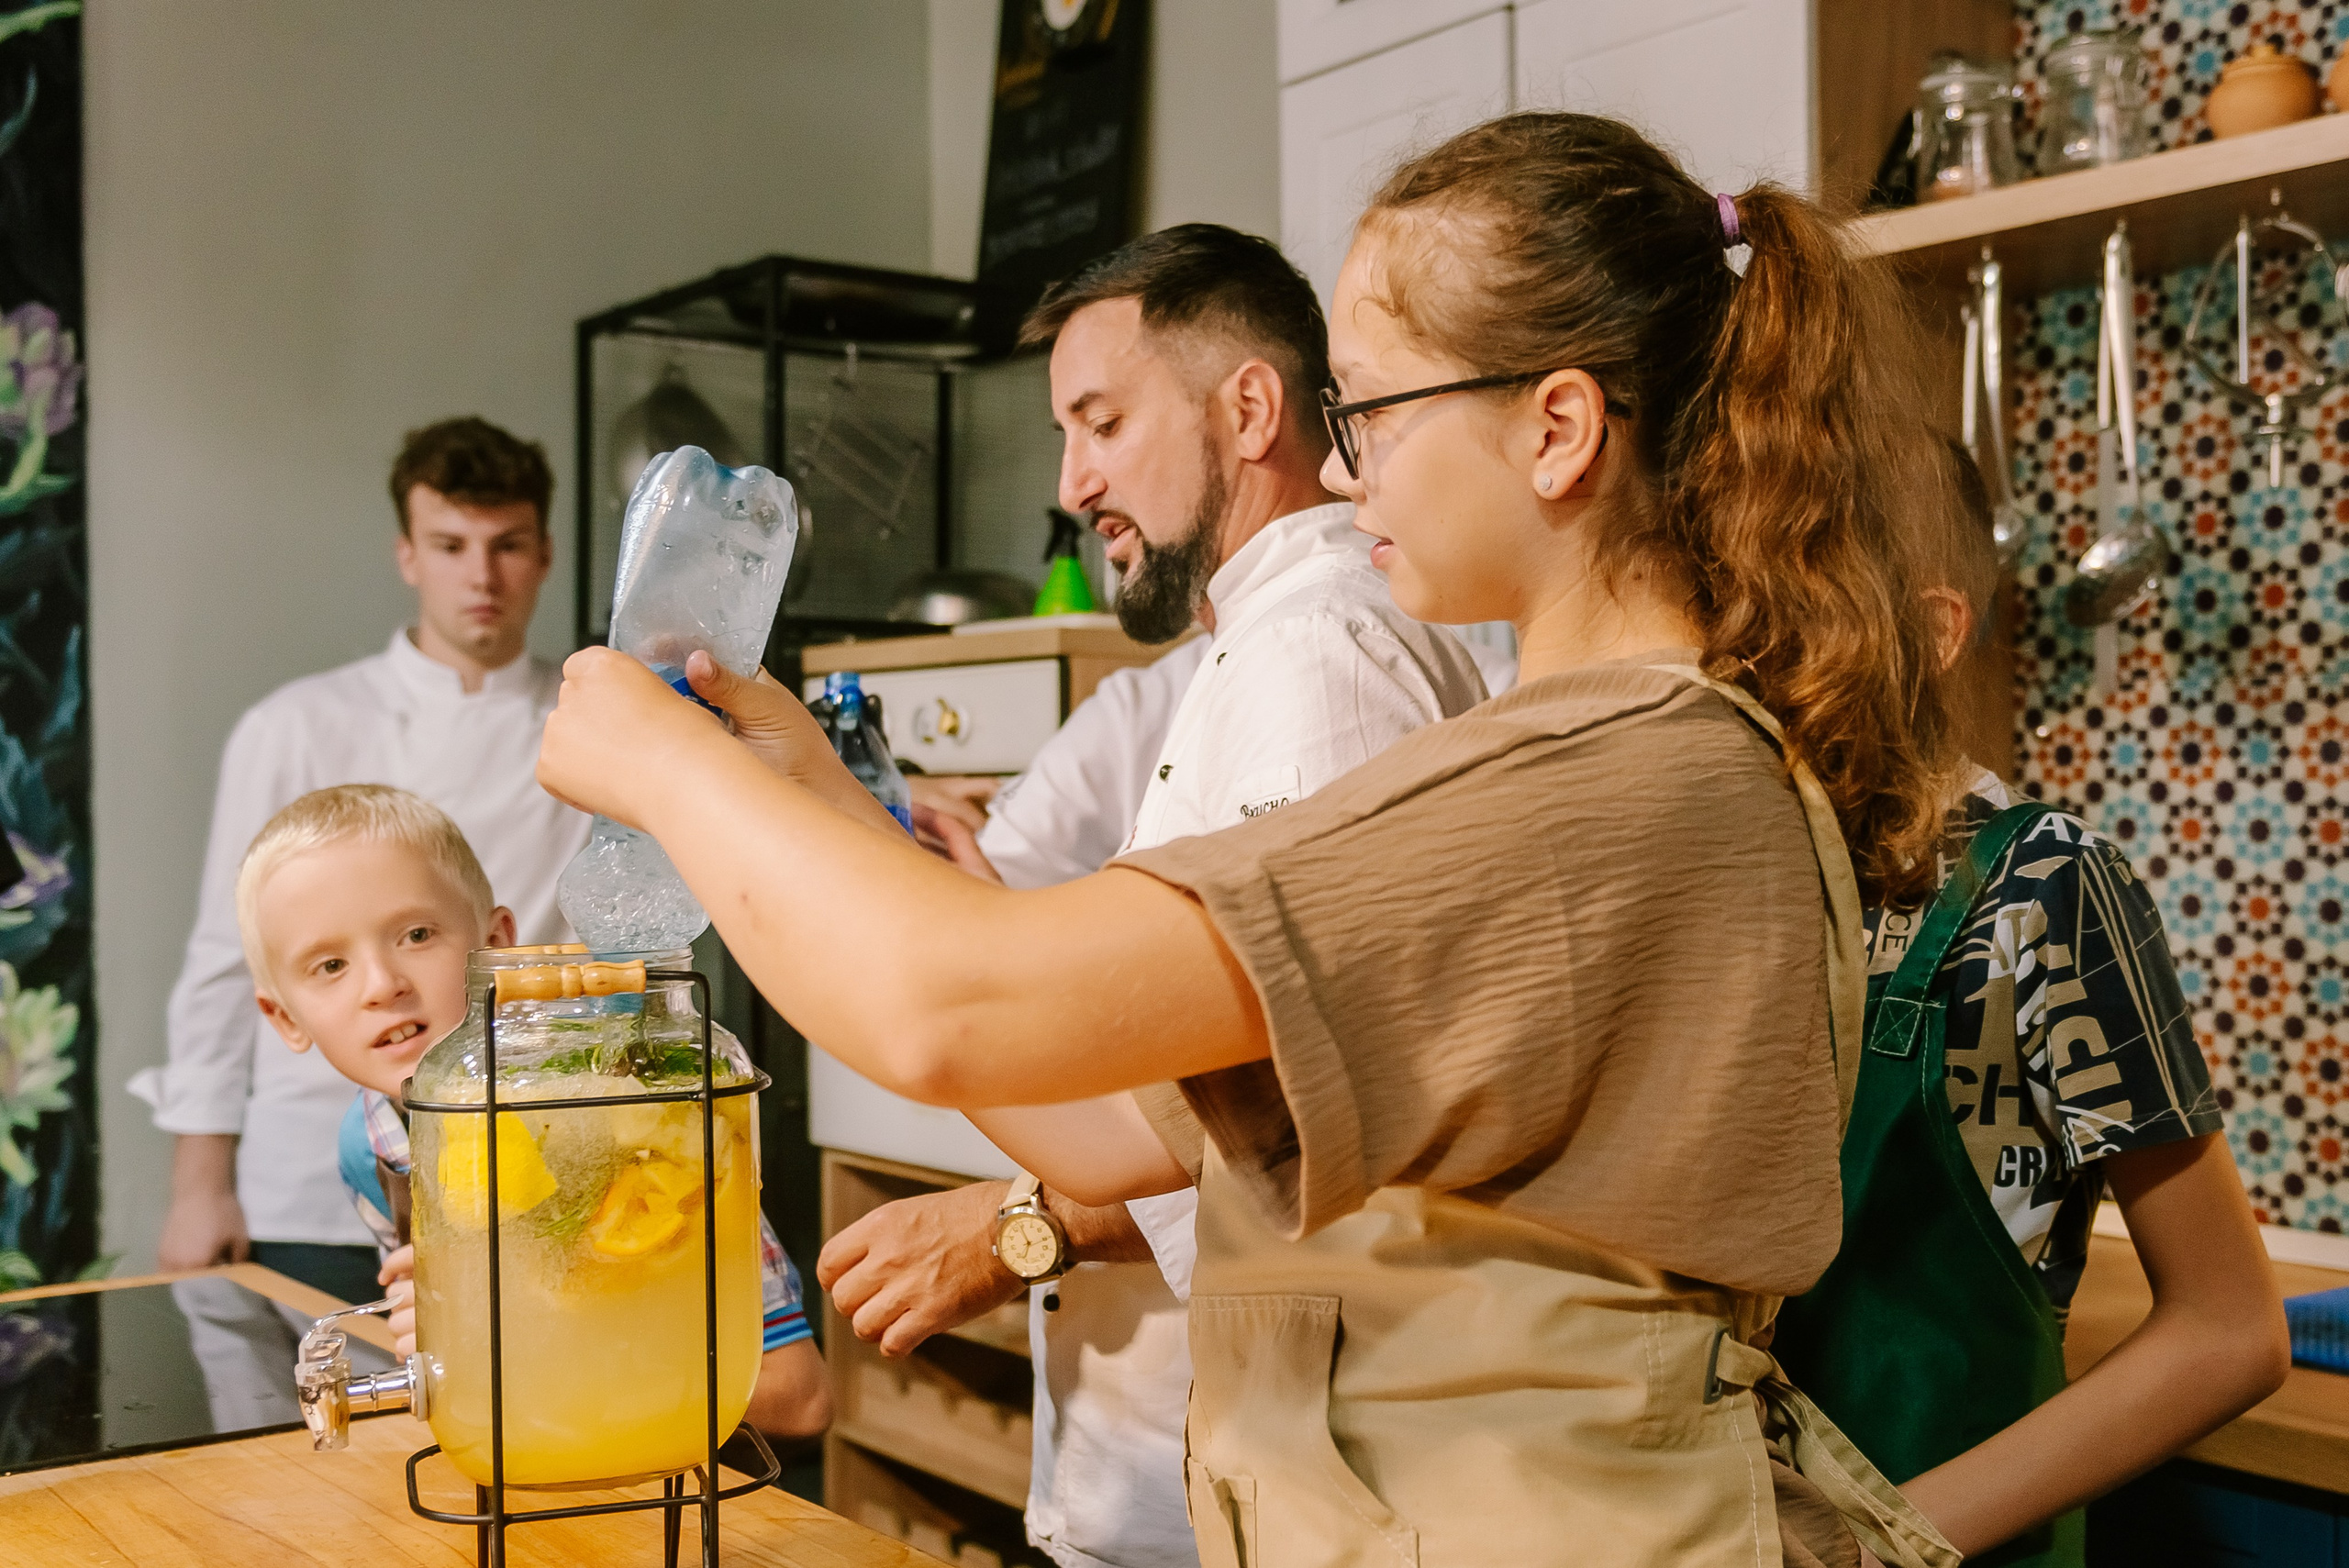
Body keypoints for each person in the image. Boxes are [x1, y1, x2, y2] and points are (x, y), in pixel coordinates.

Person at [539, 112, 1974, 1566]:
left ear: (1555, 428)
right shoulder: (1620, 752)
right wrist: (798, 777)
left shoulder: (1594, 783)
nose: (1343, 473)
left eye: (1371, 413)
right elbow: (1109, 1126)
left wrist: (667, 772)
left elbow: (953, 1005)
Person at [820, 224, 1486, 1568]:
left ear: (1249, 409)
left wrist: (1020, 1216)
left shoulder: (1322, 664)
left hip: (1284, 1489)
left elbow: (1298, 1120)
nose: (1073, 481)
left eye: (1102, 422)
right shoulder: (1249, 655)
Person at [1770, 441, 2288, 1564]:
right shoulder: (1760, 878)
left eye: (1798, 602)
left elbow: (2230, 1329)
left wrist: (1873, 1544)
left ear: (1935, 631)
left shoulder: (2040, 886)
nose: (1751, 648)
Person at [137, 417, 591, 1306]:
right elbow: (228, 961)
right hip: (308, 1176)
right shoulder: (296, 725)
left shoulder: (597, 723)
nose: (482, 575)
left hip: (532, 1162)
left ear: (543, 553)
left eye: (507, 545)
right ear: (408, 555)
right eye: (450, 544)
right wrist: (201, 1186)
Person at [232, 783, 831, 1439]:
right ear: (284, 1017)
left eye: (416, 933)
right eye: (330, 964)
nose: (383, 984)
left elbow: (797, 1396)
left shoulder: (636, 1111)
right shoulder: (371, 1140)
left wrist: (527, 1339)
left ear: (499, 946)